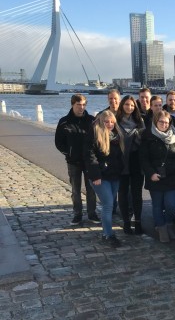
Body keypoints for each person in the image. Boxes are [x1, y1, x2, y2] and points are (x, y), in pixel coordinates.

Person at [139, 111, 175, 243]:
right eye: (161, 122)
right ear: (155, 122)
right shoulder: (148, 136)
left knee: (170, 205)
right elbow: (143, 159)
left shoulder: (174, 137)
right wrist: (151, 173)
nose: (164, 124)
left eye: (166, 122)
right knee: (157, 205)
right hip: (155, 176)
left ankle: (168, 224)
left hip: (172, 176)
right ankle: (162, 228)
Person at [55, 94, 99, 225]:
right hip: (73, 161)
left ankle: (92, 213)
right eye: (78, 105)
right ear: (72, 104)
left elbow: (97, 140)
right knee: (75, 189)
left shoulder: (92, 120)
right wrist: (68, 153)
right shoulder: (64, 122)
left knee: (91, 189)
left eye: (84, 104)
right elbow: (58, 142)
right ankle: (77, 214)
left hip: (89, 161)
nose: (81, 107)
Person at [84, 110, 125, 248]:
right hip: (100, 176)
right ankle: (108, 234)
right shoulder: (95, 134)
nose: (109, 124)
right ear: (101, 122)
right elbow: (90, 156)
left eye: (112, 121)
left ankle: (105, 232)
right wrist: (95, 175)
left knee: (111, 204)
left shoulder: (117, 135)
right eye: (106, 121)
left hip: (114, 175)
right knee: (107, 204)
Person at [115, 95, 146, 235]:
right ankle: (126, 222)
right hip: (121, 161)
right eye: (127, 104)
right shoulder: (115, 121)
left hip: (136, 161)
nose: (129, 107)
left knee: (137, 194)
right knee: (122, 193)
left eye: (132, 105)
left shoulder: (140, 122)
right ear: (122, 106)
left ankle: (138, 221)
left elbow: (144, 141)